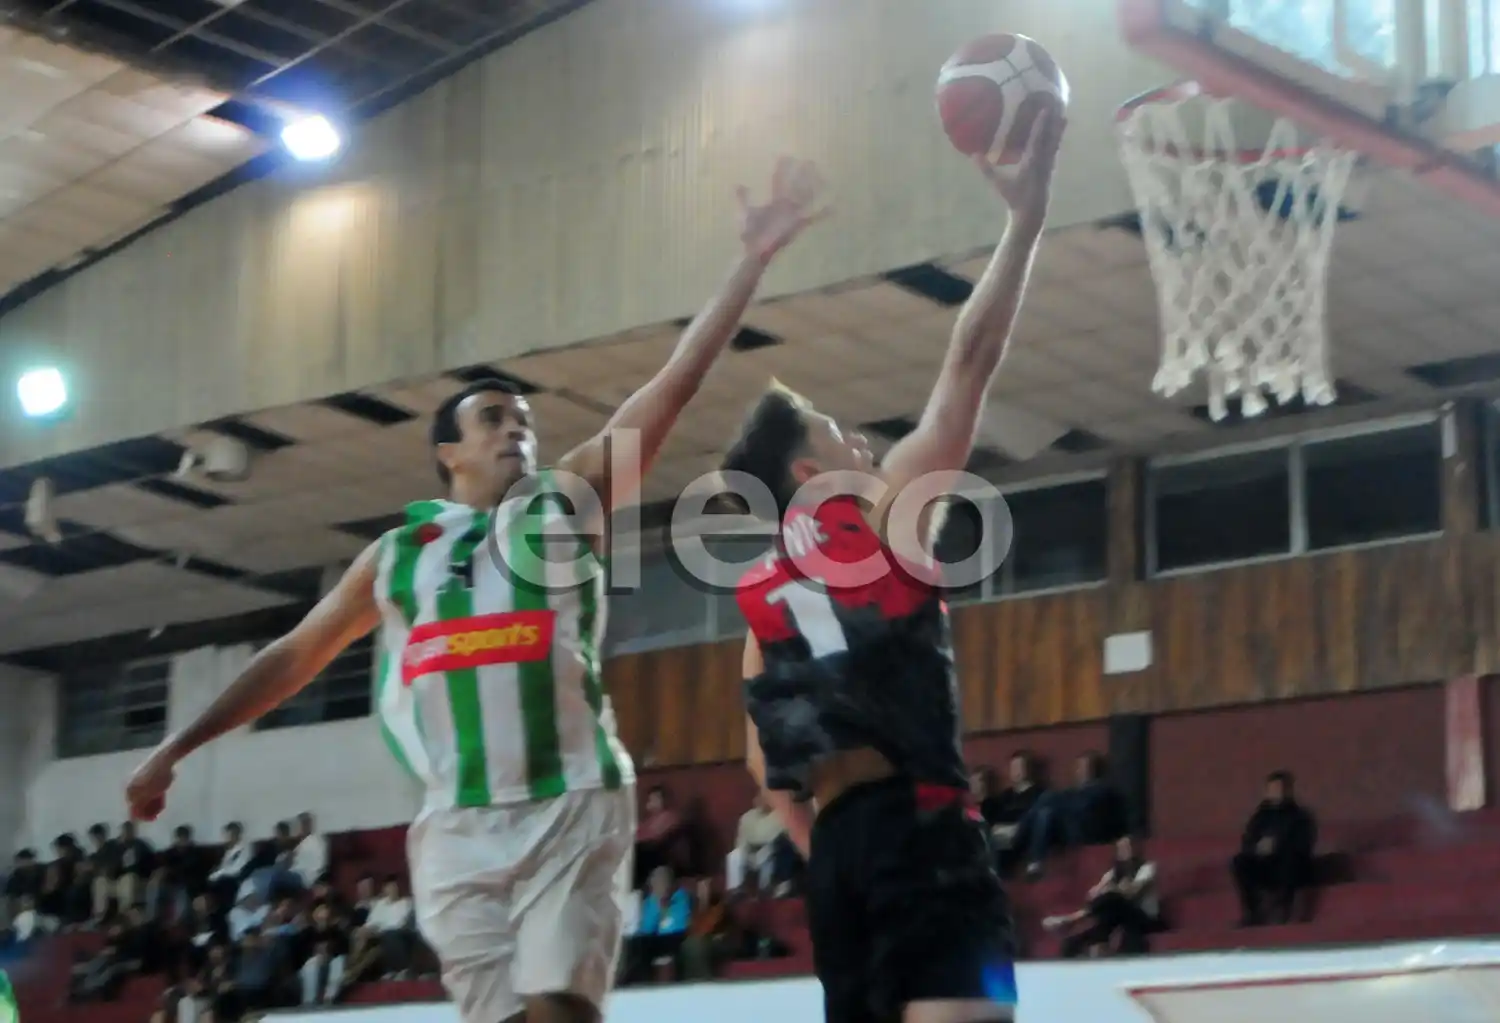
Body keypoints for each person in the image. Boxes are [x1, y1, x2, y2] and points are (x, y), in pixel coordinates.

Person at [124, 158, 828, 1023]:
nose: (517, 433)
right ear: (447, 454)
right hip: (456, 824)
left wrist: (749, 262)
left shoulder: (563, 504)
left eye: (525, 423)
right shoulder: (395, 555)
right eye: (494, 420)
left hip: (571, 797)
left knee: (561, 1007)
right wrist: (175, 749)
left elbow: (670, 387)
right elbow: (290, 659)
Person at [725, 111, 1065, 1023]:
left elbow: (762, 762)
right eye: (841, 433)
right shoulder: (885, 516)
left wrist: (826, 846)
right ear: (808, 473)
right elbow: (971, 361)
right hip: (920, 828)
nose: (864, 439)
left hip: (839, 854)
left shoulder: (760, 597)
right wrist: (1024, 221)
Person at [1042, 836, 1163, 958]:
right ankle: (1081, 945)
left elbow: (1132, 893)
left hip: (1144, 917)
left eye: (1130, 847)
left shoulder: (1147, 868)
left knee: (1113, 898)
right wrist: (1102, 889)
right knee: (1072, 943)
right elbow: (1093, 895)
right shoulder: (1114, 873)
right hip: (1116, 917)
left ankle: (1072, 920)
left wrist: (1111, 890)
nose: (1128, 851)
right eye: (1123, 848)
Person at [1231, 770, 1317, 926]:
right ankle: (1252, 913)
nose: (1275, 793)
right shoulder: (1260, 818)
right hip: (1266, 865)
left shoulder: (1300, 816)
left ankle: (1284, 909)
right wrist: (1257, 849)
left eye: (1279, 789)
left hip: (1291, 866)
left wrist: (1277, 846)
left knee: (1289, 860)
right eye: (1272, 790)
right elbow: (1247, 842)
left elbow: (1304, 845)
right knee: (1240, 862)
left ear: (1288, 791)